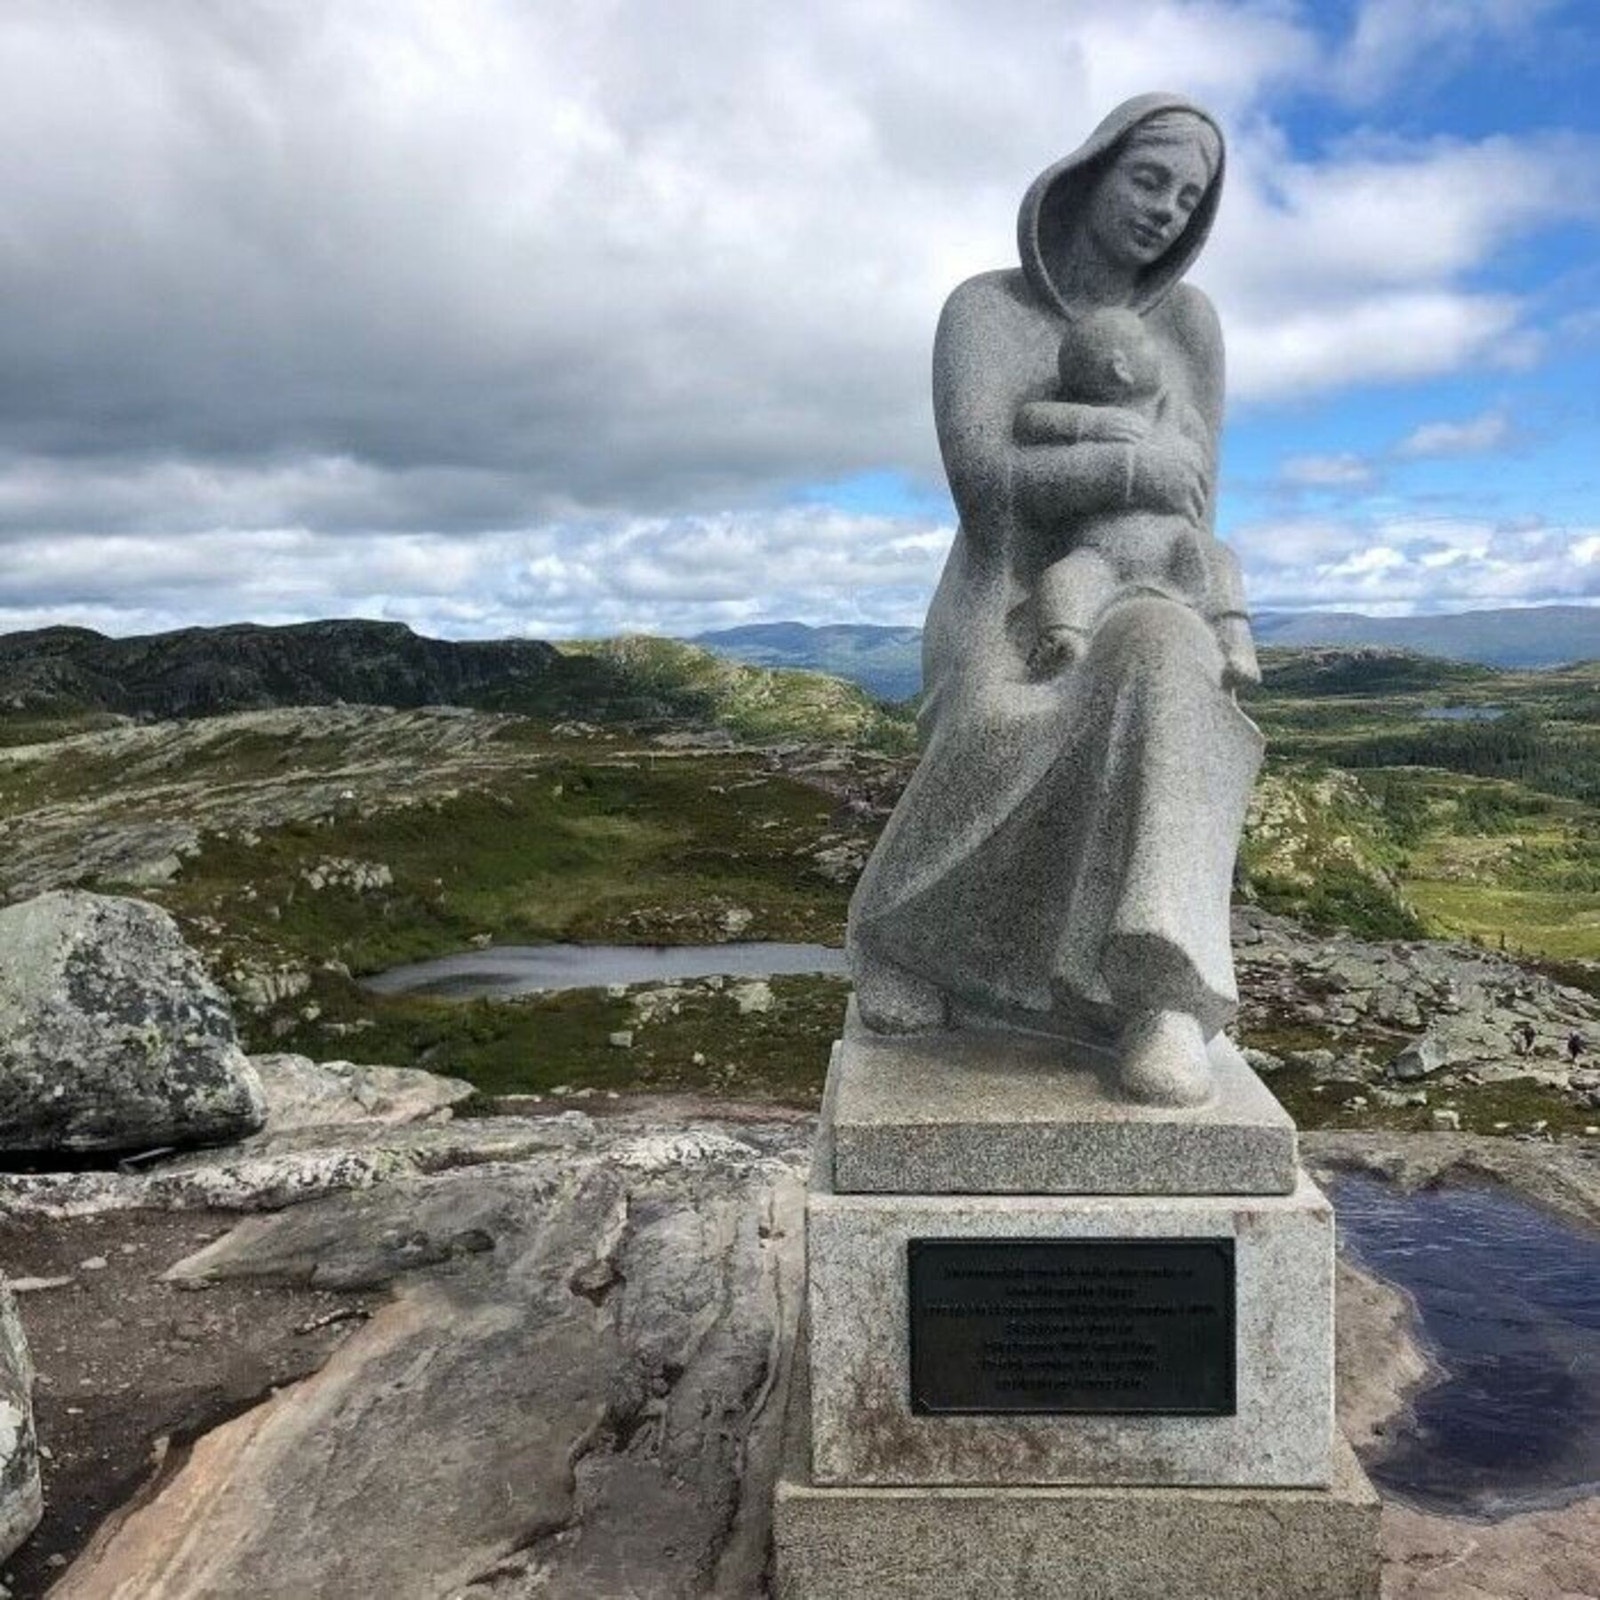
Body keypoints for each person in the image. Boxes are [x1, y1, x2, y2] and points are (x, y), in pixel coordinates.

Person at [847, 94, 1262, 1107]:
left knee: (1168, 661)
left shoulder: (1189, 327)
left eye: (1188, 196)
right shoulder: (984, 313)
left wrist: (1147, 505)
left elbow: (1194, 492)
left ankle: (1162, 1000)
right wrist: (1128, 467)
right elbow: (987, 489)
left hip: (1145, 576)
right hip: (1003, 593)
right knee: (998, 715)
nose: (1165, 209)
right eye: (1148, 179)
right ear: (1094, 172)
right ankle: (914, 934)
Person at [1018, 306, 1257, 682]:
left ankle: (1234, 641)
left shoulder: (1176, 413)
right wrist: (1092, 424)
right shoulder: (1084, 413)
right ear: (1121, 367)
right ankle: (1065, 637)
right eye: (1145, 341)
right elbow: (1029, 419)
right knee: (1064, 577)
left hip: (1174, 544)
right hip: (1098, 553)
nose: (1157, 348)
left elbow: (1197, 468)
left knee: (1219, 560)